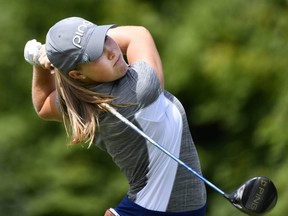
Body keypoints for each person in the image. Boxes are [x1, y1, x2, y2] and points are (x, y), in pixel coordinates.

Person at [26, 17, 207, 216]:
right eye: (96, 54)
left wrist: (38, 63)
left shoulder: (80, 99)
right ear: (77, 75)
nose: (111, 52)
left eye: (104, 39)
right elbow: (138, 34)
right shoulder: (139, 87)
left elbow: (43, 105)